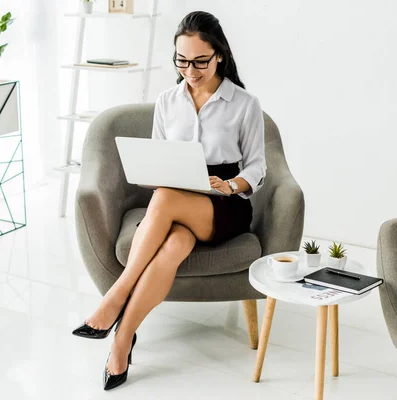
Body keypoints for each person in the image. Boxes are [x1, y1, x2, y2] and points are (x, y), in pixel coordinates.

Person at [72, 10, 267, 390]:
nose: (190, 71)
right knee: (174, 241)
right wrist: (156, 173)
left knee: (164, 198)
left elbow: (259, 166)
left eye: (199, 61)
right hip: (178, 193)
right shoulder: (167, 100)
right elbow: (161, 157)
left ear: (220, 55)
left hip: (224, 203)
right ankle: (123, 340)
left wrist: (231, 185)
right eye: (181, 61)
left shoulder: (244, 104)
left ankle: (116, 297)